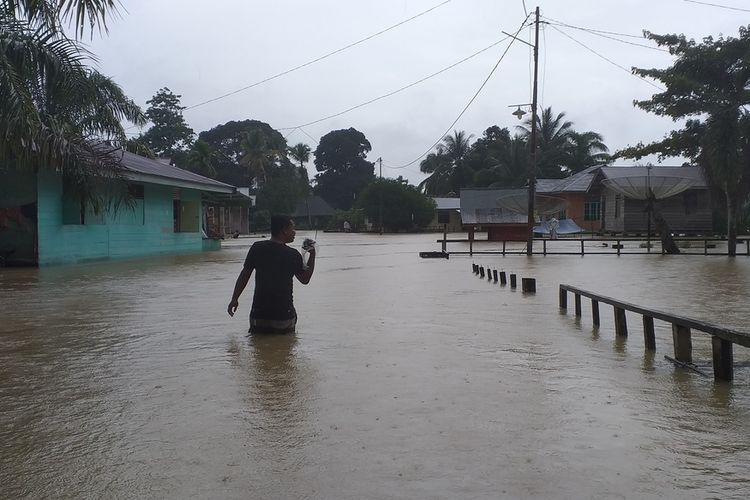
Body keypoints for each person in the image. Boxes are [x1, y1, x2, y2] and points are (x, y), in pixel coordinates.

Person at [227, 215, 315, 334]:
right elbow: (305, 279)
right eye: (292, 229)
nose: (294, 232)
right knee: (285, 349)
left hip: (258, 314)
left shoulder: (257, 248)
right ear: (284, 230)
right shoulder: (292, 255)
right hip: (284, 315)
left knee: (257, 349)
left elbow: (245, 275)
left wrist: (234, 298)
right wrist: (312, 255)